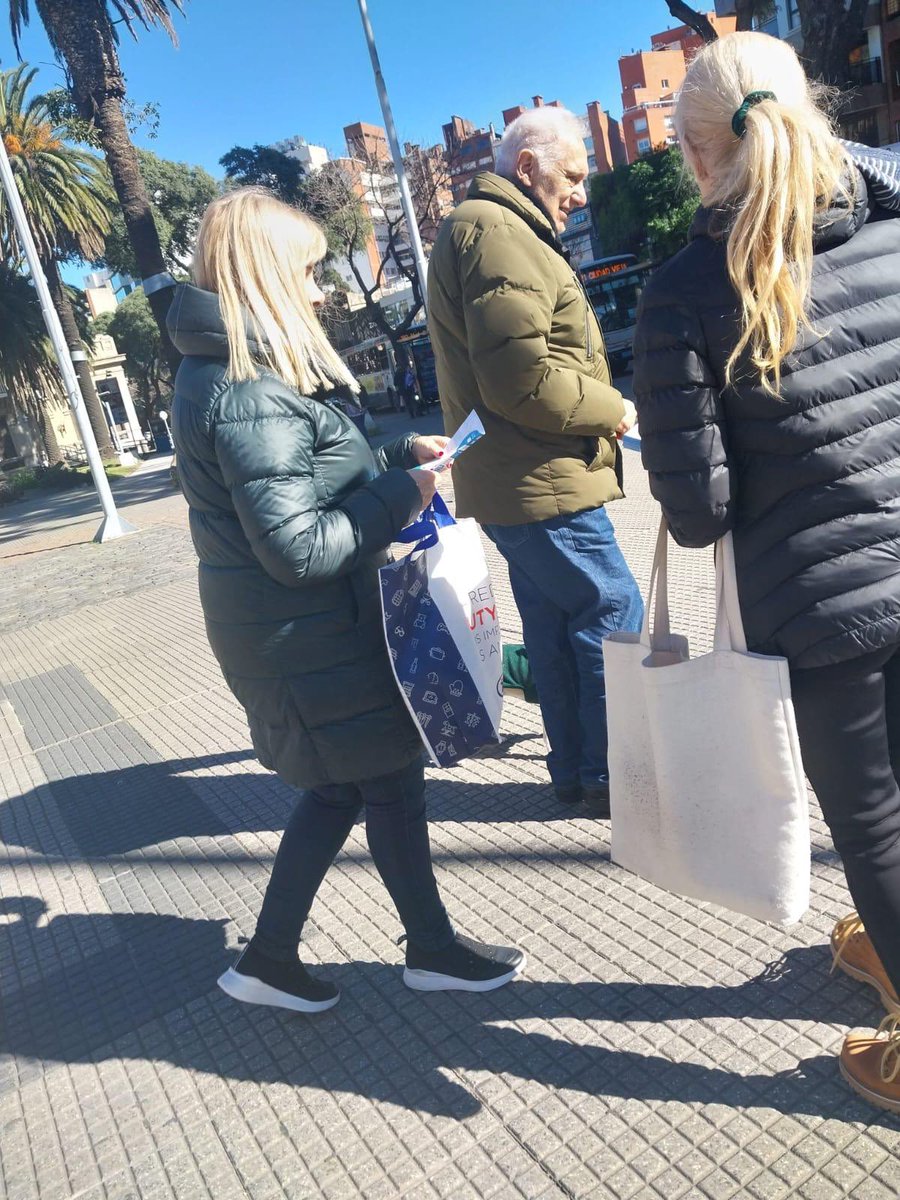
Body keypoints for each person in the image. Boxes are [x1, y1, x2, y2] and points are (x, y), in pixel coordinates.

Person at [169, 188, 525, 1013]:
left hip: (299, 635)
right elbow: (299, 548)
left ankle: (279, 959)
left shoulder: (233, 372)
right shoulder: (246, 387)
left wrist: (397, 453)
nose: (324, 288)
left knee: (352, 786)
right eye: (309, 271)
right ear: (265, 278)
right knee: (379, 781)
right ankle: (410, 952)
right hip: (308, 634)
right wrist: (403, 490)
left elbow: (300, 476)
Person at [631, 31, 900, 1113]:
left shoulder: (684, 291)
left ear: (700, 159)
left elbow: (700, 514)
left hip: (825, 608)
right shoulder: (891, 233)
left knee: (875, 821)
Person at [428, 106, 643, 817]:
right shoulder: (498, 233)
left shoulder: (491, 229)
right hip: (542, 478)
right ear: (528, 166)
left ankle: (581, 775)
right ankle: (611, 775)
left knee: (555, 625)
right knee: (612, 609)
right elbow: (521, 380)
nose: (581, 191)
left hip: (519, 479)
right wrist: (609, 408)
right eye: (573, 175)